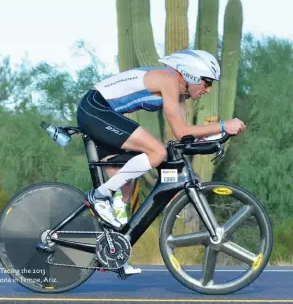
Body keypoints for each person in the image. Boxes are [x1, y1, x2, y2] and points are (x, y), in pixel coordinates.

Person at [76, 49, 247, 275]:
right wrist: (224, 125)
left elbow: (182, 135)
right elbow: (182, 130)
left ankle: (114, 252)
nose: (207, 90)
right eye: (206, 83)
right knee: (157, 152)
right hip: (96, 109)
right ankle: (98, 196)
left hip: (104, 114)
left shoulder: (180, 94)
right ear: (192, 75)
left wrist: (210, 136)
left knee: (124, 190)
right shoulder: (168, 79)